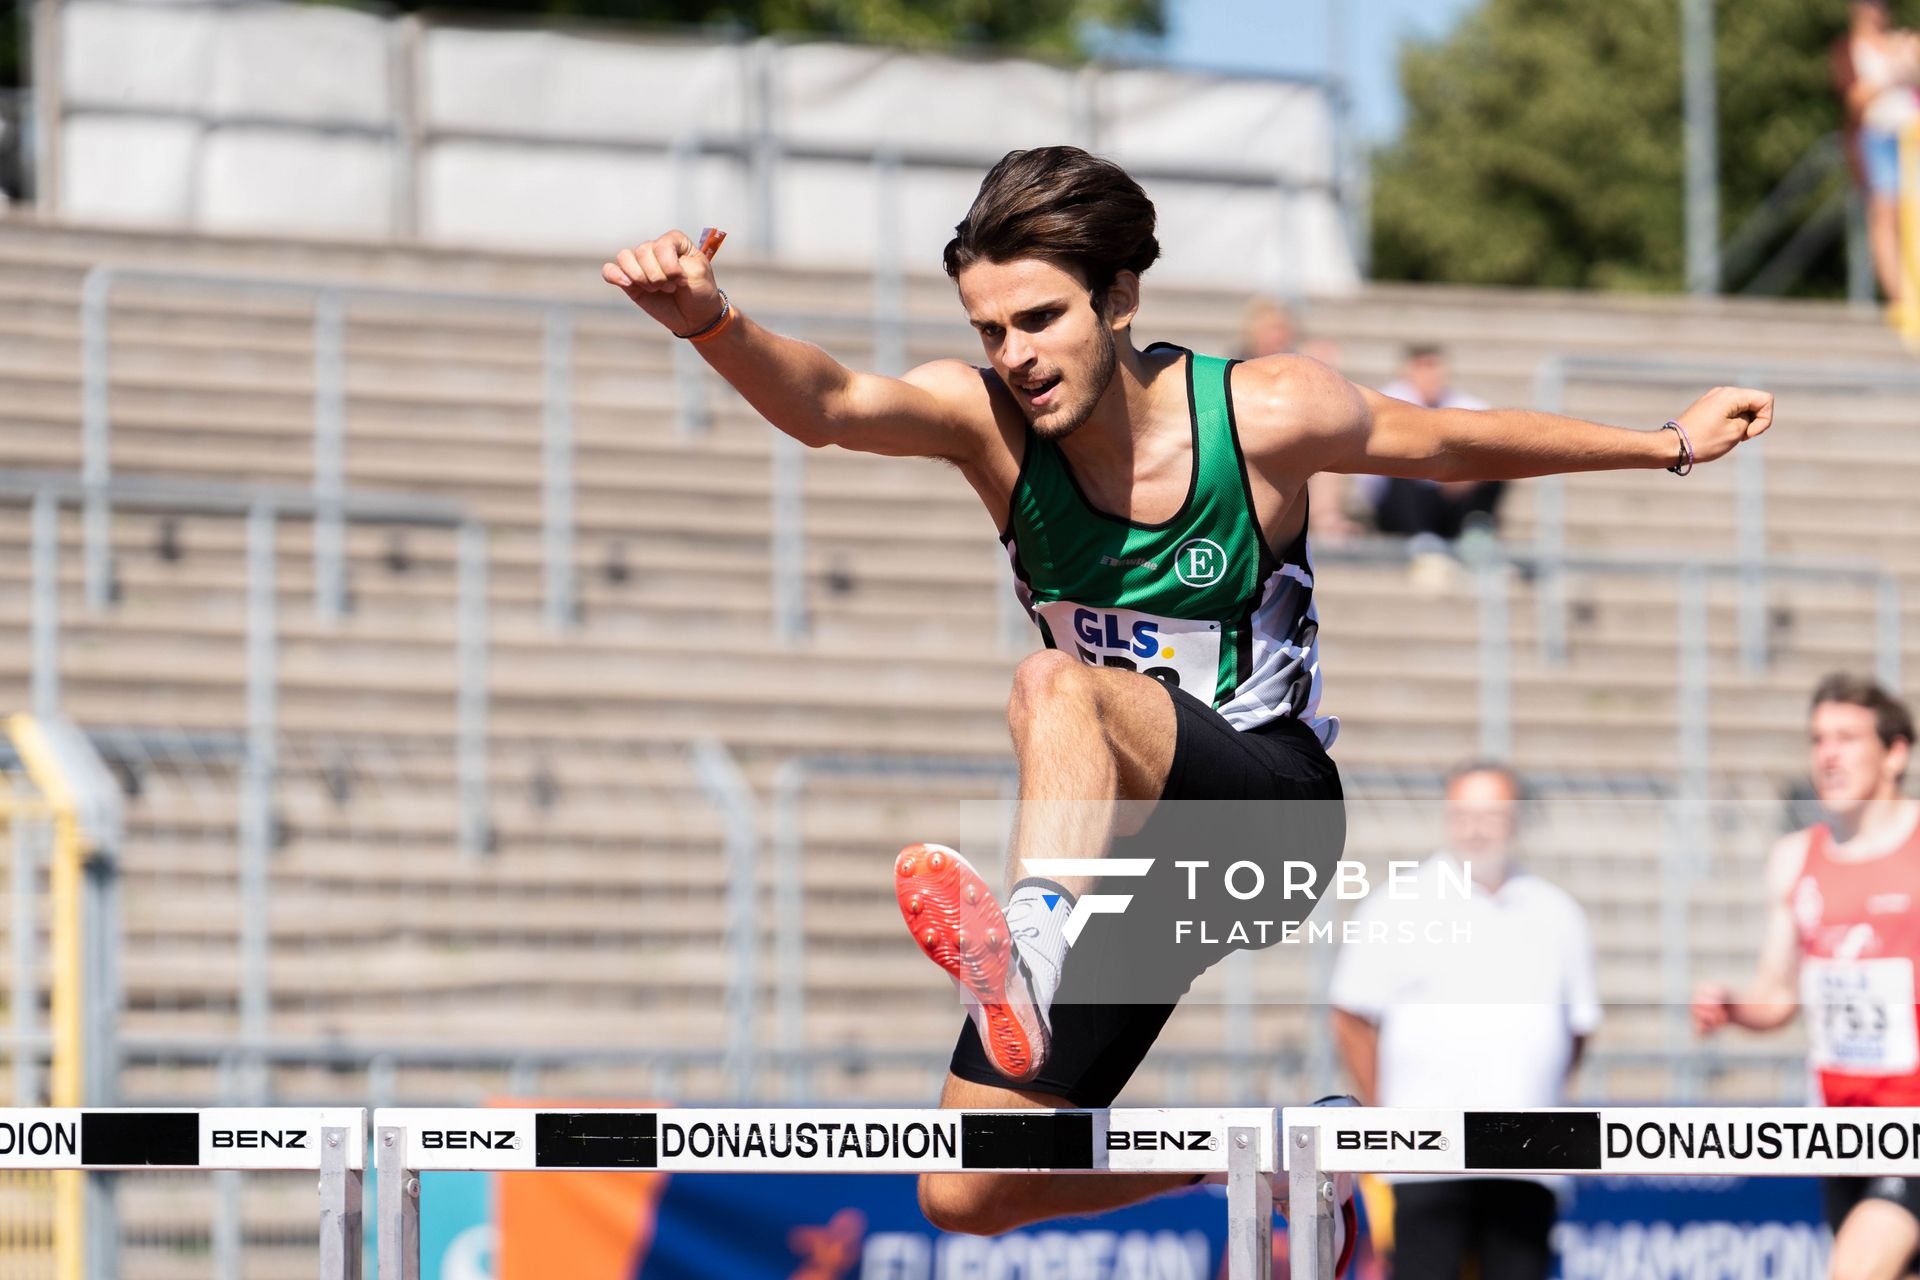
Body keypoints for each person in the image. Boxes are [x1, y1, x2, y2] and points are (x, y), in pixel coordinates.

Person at [603, 144, 1771, 1248]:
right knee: (967, 1184)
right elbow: (832, 404)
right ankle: (1261, 1154)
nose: (1013, 353)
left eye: (1040, 319)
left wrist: (1666, 442)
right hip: (1130, 864)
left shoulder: (1261, 411)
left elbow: (1451, 440)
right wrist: (712, 321)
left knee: (1056, 682)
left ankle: (1031, 947)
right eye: (990, 328)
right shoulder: (988, 423)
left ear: (1119, 298)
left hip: (1267, 810)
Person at [1329, 763, 1599, 1280]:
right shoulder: (1397, 904)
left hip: (1527, 1156)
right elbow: (1350, 1015)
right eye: (1465, 814)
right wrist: (1388, 1115)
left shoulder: (1558, 912)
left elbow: (1578, 1028)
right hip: (1425, 1155)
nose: (1477, 827)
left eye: (1492, 814)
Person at [1693, 674, 1918, 1280]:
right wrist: (1736, 1007)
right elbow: (1779, 993)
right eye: (1818, 739)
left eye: (1847, 737)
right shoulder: (1795, 858)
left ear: (1895, 752)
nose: (1828, 755)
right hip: (1841, 1130)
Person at [1362, 344, 1505, 542]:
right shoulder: (1387, 402)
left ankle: (1475, 528)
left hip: (1448, 492)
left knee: (1498, 465)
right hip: (1398, 498)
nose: (1430, 375)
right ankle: (1421, 536)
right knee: (1402, 467)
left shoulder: (1465, 404)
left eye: (1434, 367)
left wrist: (1464, 475)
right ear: (1407, 372)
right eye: (1423, 367)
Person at [1833, 0, 1920, 303]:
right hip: (1878, 136)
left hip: (1913, 137)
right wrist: (1892, 72)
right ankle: (1899, 296)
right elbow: (1854, 99)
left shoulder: (1900, 41)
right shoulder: (1849, 49)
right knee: (1886, 213)